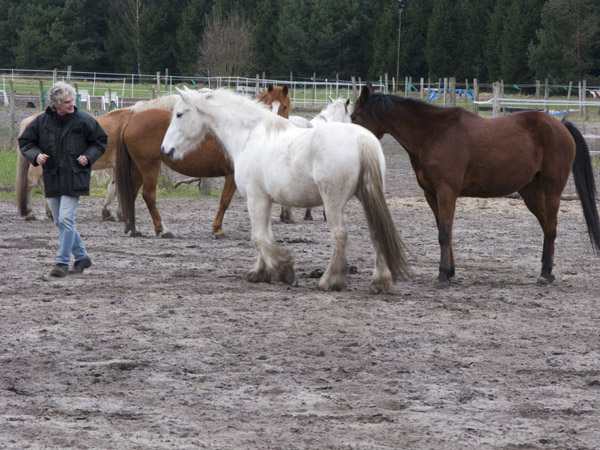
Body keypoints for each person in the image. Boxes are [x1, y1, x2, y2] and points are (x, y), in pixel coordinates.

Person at [19, 81, 107, 278]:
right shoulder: (41, 122)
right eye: (67, 102)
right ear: (55, 104)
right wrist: (36, 155)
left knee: (66, 219)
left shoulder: (84, 120)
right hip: (53, 177)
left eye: (72, 100)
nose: (71, 104)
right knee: (60, 222)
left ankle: (62, 262)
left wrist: (88, 156)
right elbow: (26, 142)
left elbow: (100, 141)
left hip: (76, 177)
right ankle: (82, 257)